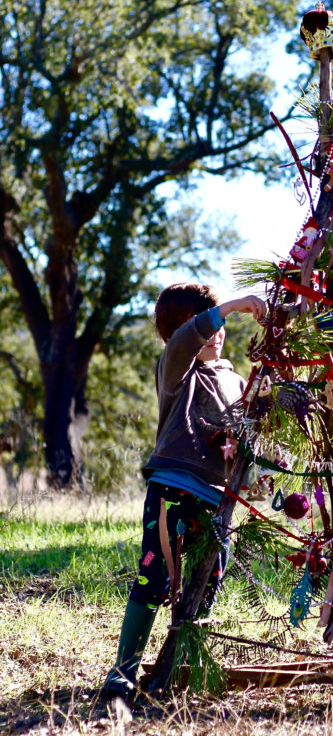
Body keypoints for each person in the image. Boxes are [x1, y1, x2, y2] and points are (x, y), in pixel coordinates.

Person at [102, 282, 266, 700]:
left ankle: (177, 663)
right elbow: (186, 339)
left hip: (217, 501)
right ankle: (122, 672)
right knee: (153, 577)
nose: (217, 331)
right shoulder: (177, 369)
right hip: (172, 488)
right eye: (207, 324)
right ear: (177, 334)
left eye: (220, 324)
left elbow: (247, 439)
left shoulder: (236, 381)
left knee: (207, 580)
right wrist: (230, 306)